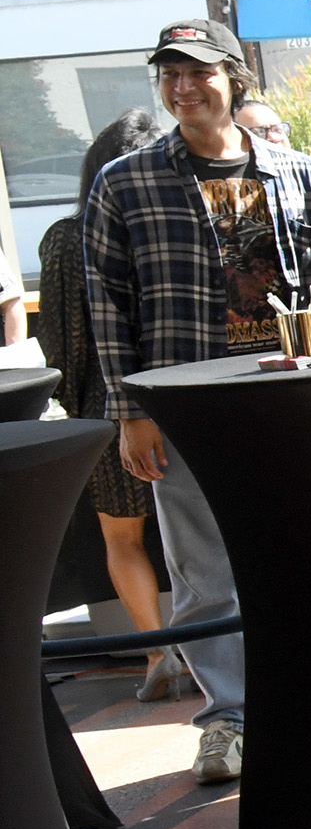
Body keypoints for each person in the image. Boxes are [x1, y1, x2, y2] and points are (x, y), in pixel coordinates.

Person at [84, 21, 311, 785]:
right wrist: (130, 412)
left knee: (306, 552)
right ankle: (227, 718)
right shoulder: (125, 182)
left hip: (292, 395)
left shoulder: (298, 173)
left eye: (198, 71)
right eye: (169, 74)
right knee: (202, 569)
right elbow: (108, 305)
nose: (183, 87)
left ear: (234, 77)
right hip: (185, 402)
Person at [37, 111, 178, 698]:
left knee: (123, 539)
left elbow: (61, 340)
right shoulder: (166, 220)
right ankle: (221, 656)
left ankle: (158, 655)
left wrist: (78, 408)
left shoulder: (67, 237)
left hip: (107, 405)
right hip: (182, 396)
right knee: (207, 533)